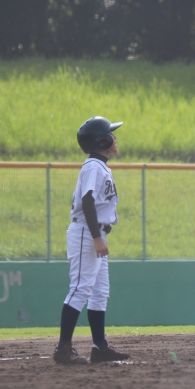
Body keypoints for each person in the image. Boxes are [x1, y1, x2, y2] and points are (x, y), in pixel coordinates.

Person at [52, 116, 131, 365]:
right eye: (111, 133)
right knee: (81, 288)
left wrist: (99, 235)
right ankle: (63, 349)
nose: (115, 137)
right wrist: (97, 237)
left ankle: (100, 348)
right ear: (102, 141)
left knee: (99, 292)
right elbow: (87, 201)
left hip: (95, 232)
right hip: (88, 232)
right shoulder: (94, 167)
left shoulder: (99, 166)